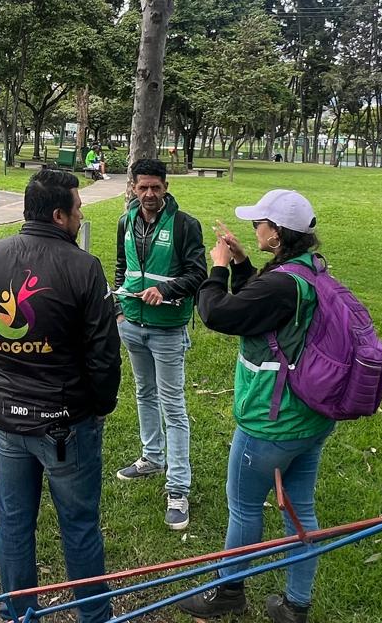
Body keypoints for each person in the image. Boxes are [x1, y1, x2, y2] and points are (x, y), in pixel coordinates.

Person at [0, 169, 121, 623]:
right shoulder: (84, 267)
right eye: (77, 207)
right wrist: (100, 407)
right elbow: (104, 355)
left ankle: (19, 614)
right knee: (78, 525)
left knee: (14, 523)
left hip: (9, 420)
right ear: (58, 214)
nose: (81, 213)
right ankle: (93, 617)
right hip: (66, 424)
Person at [176, 189, 333, 623]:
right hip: (310, 415)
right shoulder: (308, 270)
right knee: (300, 508)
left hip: (270, 419)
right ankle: (296, 605)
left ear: (277, 234)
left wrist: (218, 268)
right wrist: (245, 263)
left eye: (259, 224)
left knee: (244, 507)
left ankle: (227, 591)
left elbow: (221, 314)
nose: (254, 228)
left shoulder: (281, 282)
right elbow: (261, 312)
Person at [112, 158, 207, 530]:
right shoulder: (126, 220)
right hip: (132, 325)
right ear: (133, 188)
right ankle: (152, 457)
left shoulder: (185, 225)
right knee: (143, 393)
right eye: (142, 187)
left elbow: (197, 273)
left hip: (168, 327)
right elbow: (122, 268)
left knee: (174, 405)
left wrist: (166, 289)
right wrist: (120, 309)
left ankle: (178, 488)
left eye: (156, 187)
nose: (149, 194)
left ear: (166, 187)